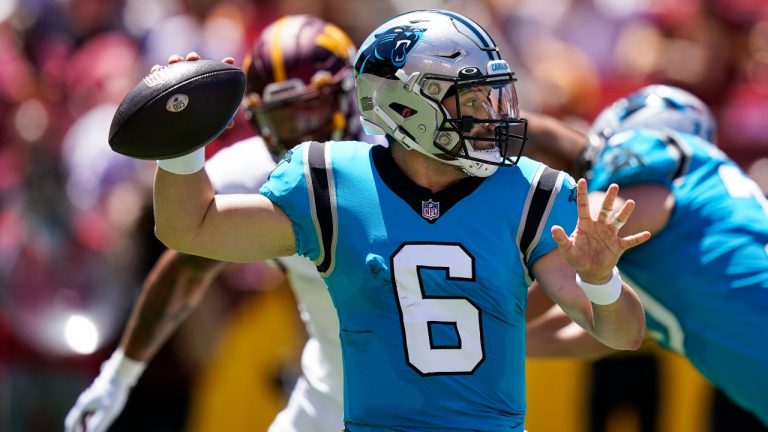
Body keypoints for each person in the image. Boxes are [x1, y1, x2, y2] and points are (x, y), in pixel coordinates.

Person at [148, 9, 649, 431]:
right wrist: (181, 144)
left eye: (489, 96)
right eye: (469, 99)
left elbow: (622, 334)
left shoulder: (528, 191)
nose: (489, 114)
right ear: (405, 107)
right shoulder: (334, 182)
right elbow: (189, 227)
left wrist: (602, 281)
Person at [65, 14, 370, 432]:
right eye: (284, 116)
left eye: (312, 107)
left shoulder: (396, 162)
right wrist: (181, 145)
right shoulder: (256, 171)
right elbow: (187, 261)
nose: (303, 133)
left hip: (432, 395)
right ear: (259, 119)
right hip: (329, 392)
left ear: (348, 96)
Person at [523, 84, 768, 426]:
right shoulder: (692, 234)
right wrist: (490, 339)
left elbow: (576, 246)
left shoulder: (648, 157)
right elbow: (592, 333)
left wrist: (490, 314)